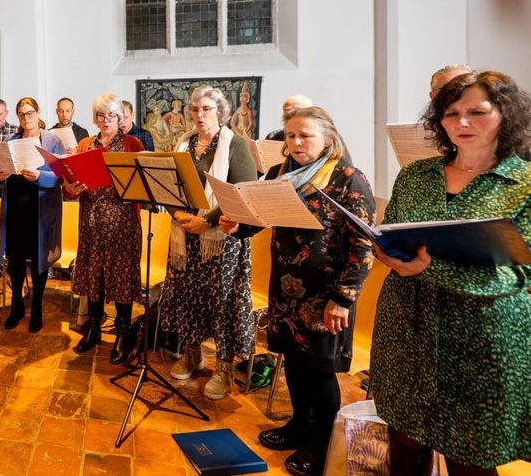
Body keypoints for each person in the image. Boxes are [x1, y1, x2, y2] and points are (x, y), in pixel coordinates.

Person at [371, 71, 531, 476]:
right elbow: (393, 232)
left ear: (506, 116)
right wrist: (383, 247)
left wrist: (431, 267)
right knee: (404, 446)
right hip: (405, 327)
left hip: (479, 338)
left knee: (469, 457)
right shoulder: (416, 175)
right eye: (450, 113)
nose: (461, 123)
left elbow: (519, 277)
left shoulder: (525, 184)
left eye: (477, 112)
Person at [219, 106, 376, 476]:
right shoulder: (280, 172)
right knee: (292, 360)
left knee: (320, 371)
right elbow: (258, 218)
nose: (296, 142)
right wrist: (236, 227)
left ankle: (323, 443)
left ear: (328, 138)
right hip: (286, 288)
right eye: (290, 136)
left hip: (326, 295)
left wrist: (343, 299)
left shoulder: (347, 178)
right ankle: (300, 424)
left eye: (305, 135)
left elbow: (363, 245)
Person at [161, 85, 256, 400]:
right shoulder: (184, 142)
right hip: (185, 235)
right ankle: (192, 354)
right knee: (188, 295)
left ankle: (224, 367)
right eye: (195, 110)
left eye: (206, 110)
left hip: (222, 238)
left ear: (220, 112)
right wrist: (177, 212)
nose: (199, 115)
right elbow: (172, 184)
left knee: (221, 303)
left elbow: (242, 193)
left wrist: (208, 220)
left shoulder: (236, 145)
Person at [63, 93, 143, 361]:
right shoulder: (86, 144)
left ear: (120, 118)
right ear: (95, 118)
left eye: (111, 115)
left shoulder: (133, 144)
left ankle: (121, 332)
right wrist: (71, 186)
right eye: (101, 115)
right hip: (92, 221)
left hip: (122, 222)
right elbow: (72, 187)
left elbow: (144, 185)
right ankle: (94, 327)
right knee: (94, 275)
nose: (106, 120)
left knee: (121, 277)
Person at [0, 97, 65, 333]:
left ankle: (36, 308)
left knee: (38, 261)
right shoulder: (12, 140)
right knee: (14, 260)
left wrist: (39, 176)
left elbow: (61, 177)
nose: (27, 118)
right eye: (22, 114)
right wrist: (0, 174)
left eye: (30, 113)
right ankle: (16, 306)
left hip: (40, 209)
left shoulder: (52, 140)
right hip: (15, 208)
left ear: (38, 112)